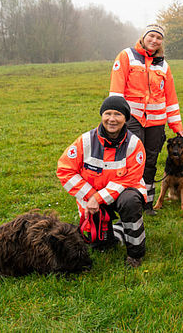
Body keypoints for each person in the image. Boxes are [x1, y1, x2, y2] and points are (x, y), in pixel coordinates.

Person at [56, 96, 147, 267]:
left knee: (130, 202)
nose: (112, 119)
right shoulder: (85, 141)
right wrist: (92, 196)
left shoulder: (134, 144)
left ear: (126, 118)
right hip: (92, 198)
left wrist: (98, 198)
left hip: (123, 194)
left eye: (117, 114)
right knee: (101, 246)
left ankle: (135, 254)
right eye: (108, 113)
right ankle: (115, 233)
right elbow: (65, 170)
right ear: (101, 115)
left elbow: (130, 178)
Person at [108, 24, 183, 213]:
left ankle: (147, 203)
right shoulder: (127, 56)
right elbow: (117, 90)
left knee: (150, 161)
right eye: (151, 36)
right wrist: (115, 117)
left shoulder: (164, 66)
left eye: (159, 38)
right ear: (143, 37)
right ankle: (128, 200)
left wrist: (176, 126)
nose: (154, 40)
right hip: (132, 118)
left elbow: (171, 98)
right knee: (133, 159)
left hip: (156, 121)